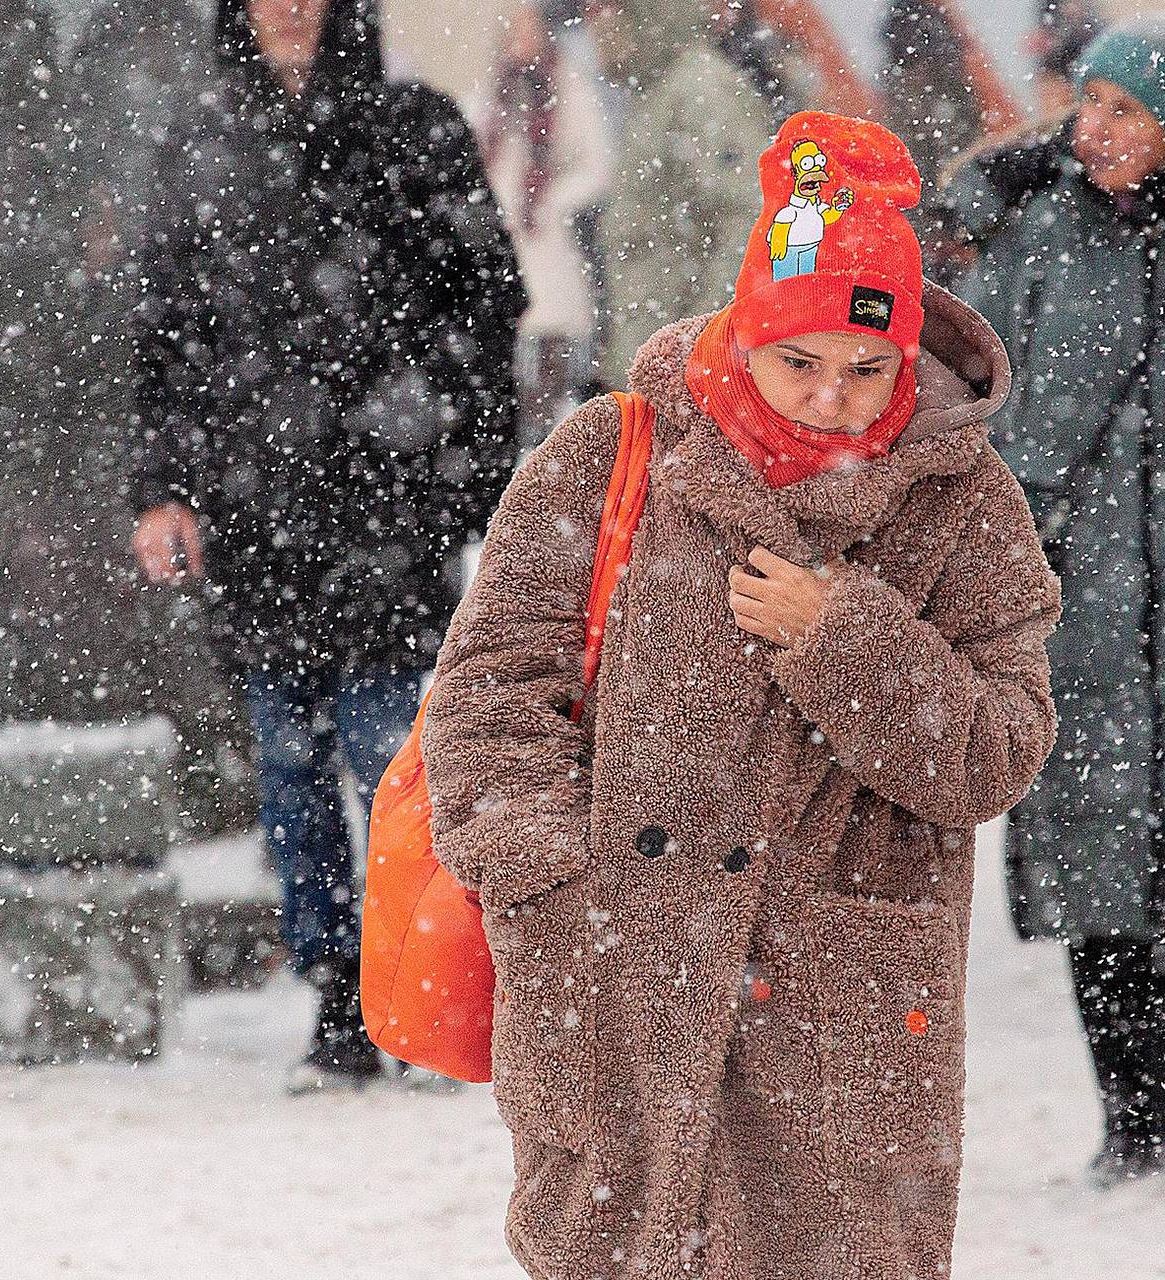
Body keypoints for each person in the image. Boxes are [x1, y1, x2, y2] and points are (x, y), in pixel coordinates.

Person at [421, 110, 1058, 1279]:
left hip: (844, 1010)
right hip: (610, 977)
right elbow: (489, 694)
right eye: (798, 361)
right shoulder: (609, 452)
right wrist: (551, 883)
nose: (831, 400)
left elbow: (997, 750)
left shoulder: (966, 507)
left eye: (868, 370)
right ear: (741, 333)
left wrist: (845, 640)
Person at [128, 0, 526, 1093]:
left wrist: (470, 475)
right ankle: (339, 996)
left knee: (399, 763)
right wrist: (163, 488)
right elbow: (165, 329)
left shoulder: (415, 125)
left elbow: (487, 309)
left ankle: (430, 988)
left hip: (388, 510)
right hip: (257, 518)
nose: (289, 8)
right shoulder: (199, 142)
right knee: (290, 769)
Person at [941, 19, 1165, 1185]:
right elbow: (973, 399)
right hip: (1076, 607)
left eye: (1124, 111)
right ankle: (1130, 1117)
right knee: (1097, 870)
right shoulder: (1034, 229)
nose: (1093, 130)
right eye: (1086, 106)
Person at [594, 0, 801, 389]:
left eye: (612, 10)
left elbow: (749, 224)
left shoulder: (700, 91)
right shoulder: (658, 93)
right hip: (655, 355)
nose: (598, 28)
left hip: (686, 370)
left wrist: (698, 346)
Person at [477, 1, 612, 447]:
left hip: (547, 243)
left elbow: (599, 164)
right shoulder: (493, 87)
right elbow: (475, 155)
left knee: (551, 347)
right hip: (502, 238)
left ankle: (546, 455)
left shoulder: (564, 86)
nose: (517, 35)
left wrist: (552, 201)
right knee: (505, 354)